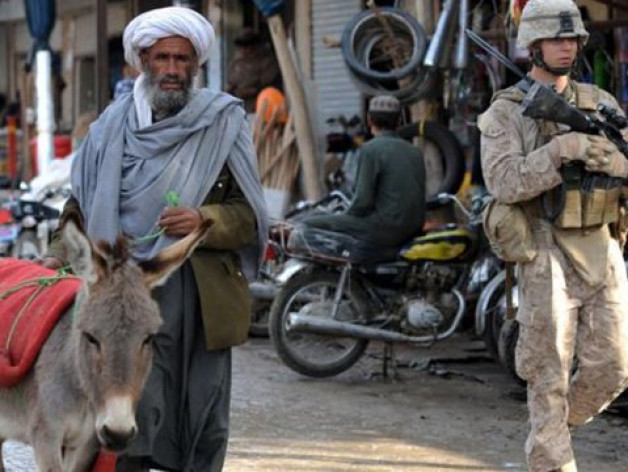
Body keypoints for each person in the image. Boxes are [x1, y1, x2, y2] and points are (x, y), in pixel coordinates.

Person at [41, 6, 268, 471]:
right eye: (162, 57)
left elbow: (248, 217)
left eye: (182, 59)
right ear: (142, 61)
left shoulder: (223, 123)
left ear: (195, 64)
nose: (172, 69)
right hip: (125, 300)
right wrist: (55, 257)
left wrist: (203, 217)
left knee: (204, 415)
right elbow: (79, 206)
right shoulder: (108, 129)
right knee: (132, 413)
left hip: (200, 300)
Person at [478, 1, 628, 471]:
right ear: (533, 45)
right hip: (544, 248)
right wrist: (558, 152)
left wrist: (622, 167)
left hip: (601, 247)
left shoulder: (601, 102)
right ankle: (552, 452)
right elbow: (504, 182)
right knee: (547, 371)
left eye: (572, 39)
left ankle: (553, 430)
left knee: (618, 360)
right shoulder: (507, 110)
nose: (567, 47)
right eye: (556, 39)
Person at [301, 95, 426, 249]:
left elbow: (362, 203)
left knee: (309, 222)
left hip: (386, 230)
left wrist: (343, 218)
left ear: (369, 120)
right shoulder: (415, 152)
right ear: (399, 121)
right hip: (414, 228)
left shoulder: (370, 149)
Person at [226, 28, 282, 113]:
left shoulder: (267, 62)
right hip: (239, 109)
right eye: (241, 47)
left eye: (247, 46)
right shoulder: (235, 64)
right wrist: (236, 93)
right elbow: (229, 88)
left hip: (261, 108)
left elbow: (270, 86)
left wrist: (252, 91)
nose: (244, 50)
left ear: (255, 46)